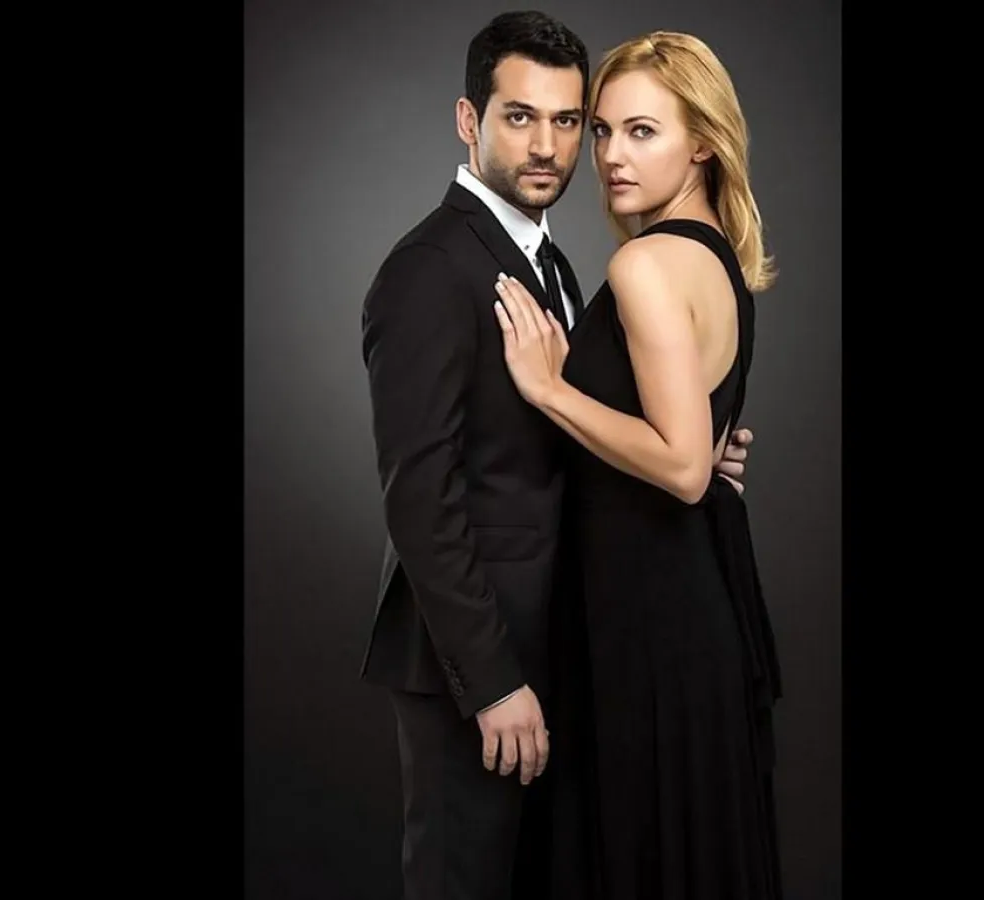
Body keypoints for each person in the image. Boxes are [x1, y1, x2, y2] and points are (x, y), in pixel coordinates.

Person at [358, 13, 754, 900]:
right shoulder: (429, 269)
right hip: (479, 665)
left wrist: (690, 451)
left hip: (569, 645)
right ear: (469, 120)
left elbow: (567, 443)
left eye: (569, 121)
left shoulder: (557, 264)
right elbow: (420, 499)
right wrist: (493, 684)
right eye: (519, 116)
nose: (549, 146)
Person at [490, 30, 785, 900]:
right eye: (604, 130)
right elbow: (696, 445)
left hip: (652, 623)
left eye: (642, 132)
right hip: (680, 609)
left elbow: (684, 469)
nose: (611, 156)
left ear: (703, 143)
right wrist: (703, 451)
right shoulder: (714, 260)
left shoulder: (648, 262)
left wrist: (551, 390)